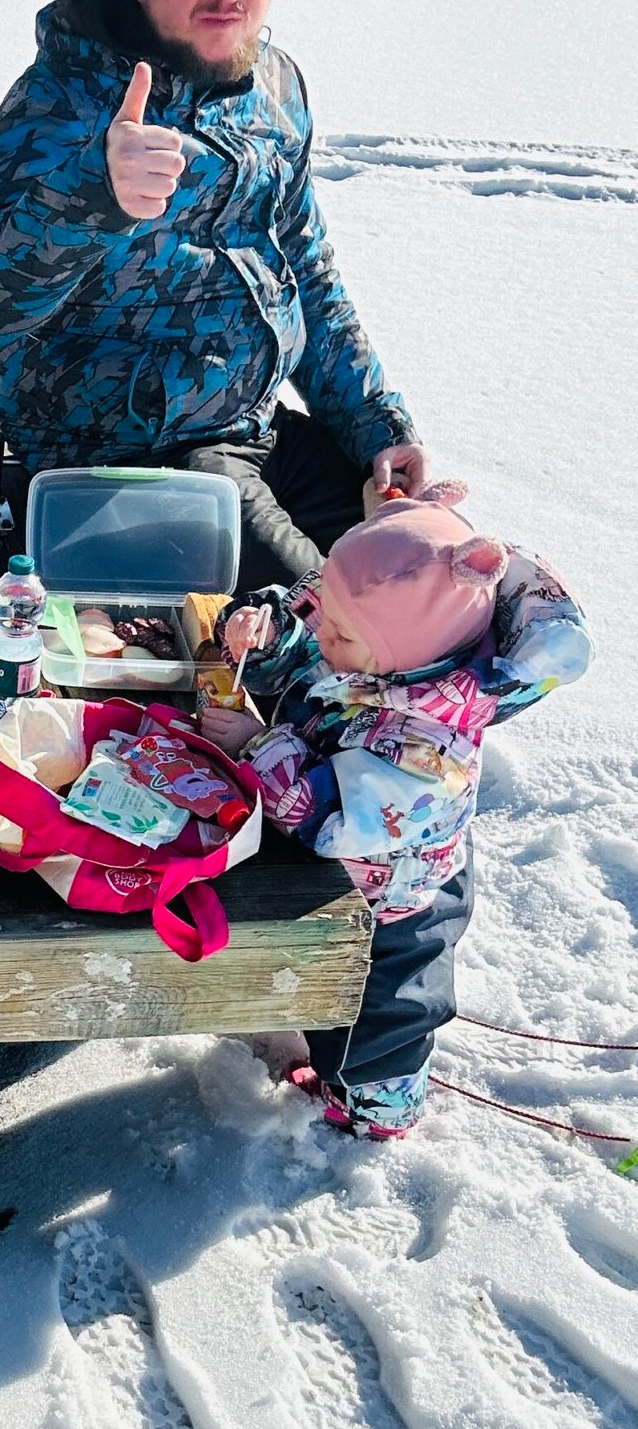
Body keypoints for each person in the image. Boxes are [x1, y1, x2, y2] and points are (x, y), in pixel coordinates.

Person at [0, 0, 426, 593]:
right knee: (346, 628)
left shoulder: (276, 88)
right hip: (126, 471)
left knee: (433, 577)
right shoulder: (63, 105)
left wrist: (376, 429)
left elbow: (309, 275)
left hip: (257, 434)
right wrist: (92, 198)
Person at [200, 485, 589, 1136]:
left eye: (337, 630)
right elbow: (309, 641)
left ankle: (373, 1111)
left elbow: (326, 818)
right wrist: (265, 632)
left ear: (403, 653)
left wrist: (258, 745)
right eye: (323, 615)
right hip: (357, 851)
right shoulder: (375, 653)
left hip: (391, 899)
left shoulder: (428, 752)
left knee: (381, 1021)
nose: (320, 633)